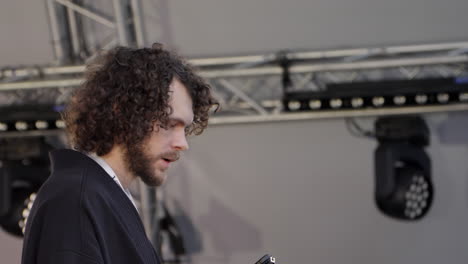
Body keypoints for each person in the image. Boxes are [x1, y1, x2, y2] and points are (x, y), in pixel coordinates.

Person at [21, 43, 218, 264]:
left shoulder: (94, 194)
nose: (182, 143)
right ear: (124, 113)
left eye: (185, 128)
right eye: (169, 124)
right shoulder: (76, 197)